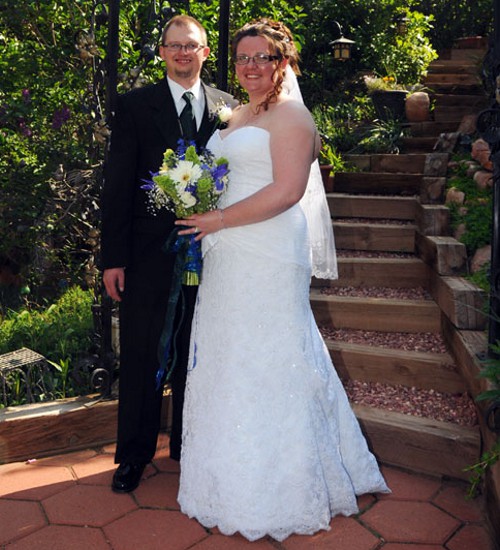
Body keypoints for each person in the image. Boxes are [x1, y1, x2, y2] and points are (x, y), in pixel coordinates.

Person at [175, 19, 389, 541]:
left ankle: (282, 486)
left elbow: (290, 190)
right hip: (229, 251)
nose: (250, 66)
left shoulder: (294, 115)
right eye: (243, 58)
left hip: (267, 248)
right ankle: (227, 475)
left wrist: (217, 219)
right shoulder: (236, 113)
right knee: (230, 353)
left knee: (271, 351)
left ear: (282, 63)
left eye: (262, 58)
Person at [100, 14, 237, 493]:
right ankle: (133, 456)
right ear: (161, 52)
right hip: (146, 255)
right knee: (140, 351)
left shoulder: (228, 106)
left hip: (212, 255)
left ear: (204, 52)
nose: (183, 53)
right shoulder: (136, 106)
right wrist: (112, 259)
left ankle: (187, 446)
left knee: (197, 351)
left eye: (192, 46)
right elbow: (116, 185)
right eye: (174, 46)